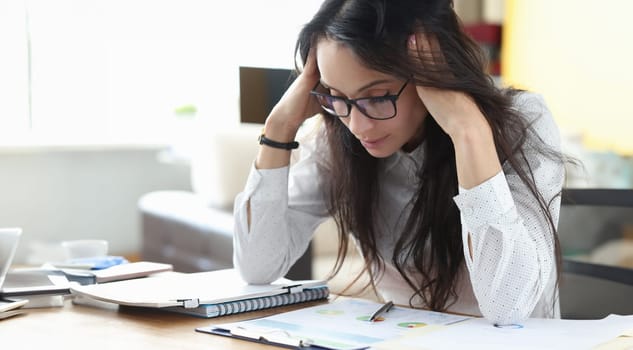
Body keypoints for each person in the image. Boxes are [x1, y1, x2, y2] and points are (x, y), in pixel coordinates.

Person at [232, 0, 566, 326]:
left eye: (377, 97)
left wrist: (468, 132)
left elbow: (508, 306)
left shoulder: (522, 121)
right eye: (336, 96)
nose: (358, 126)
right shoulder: (337, 137)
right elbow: (258, 267)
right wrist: (278, 128)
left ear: (432, 72)